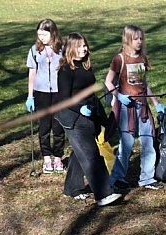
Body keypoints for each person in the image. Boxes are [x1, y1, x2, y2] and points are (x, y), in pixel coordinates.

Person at [54, 32, 121, 207]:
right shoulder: (65, 70)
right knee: (91, 155)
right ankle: (104, 194)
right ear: (71, 48)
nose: (84, 48)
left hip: (88, 115)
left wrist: (105, 120)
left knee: (80, 153)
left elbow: (91, 95)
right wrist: (80, 108)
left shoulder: (85, 66)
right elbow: (63, 99)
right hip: (72, 118)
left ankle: (72, 188)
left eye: (85, 45)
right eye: (80, 46)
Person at [105, 24, 166, 191]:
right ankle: (117, 178)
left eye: (141, 38)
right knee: (126, 145)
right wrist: (118, 96)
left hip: (143, 107)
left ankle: (147, 178)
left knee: (148, 141)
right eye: (135, 39)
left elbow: (144, 84)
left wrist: (156, 103)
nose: (139, 42)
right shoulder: (120, 59)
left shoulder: (142, 59)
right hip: (127, 109)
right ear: (127, 40)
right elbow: (108, 81)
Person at [26, 19, 64, 174]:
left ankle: (58, 157)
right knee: (44, 126)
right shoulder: (35, 50)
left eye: (44, 34)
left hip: (58, 93)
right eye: (39, 34)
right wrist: (30, 96)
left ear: (52, 33)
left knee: (58, 126)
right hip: (41, 93)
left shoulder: (62, 49)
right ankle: (47, 158)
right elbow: (32, 73)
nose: (41, 37)